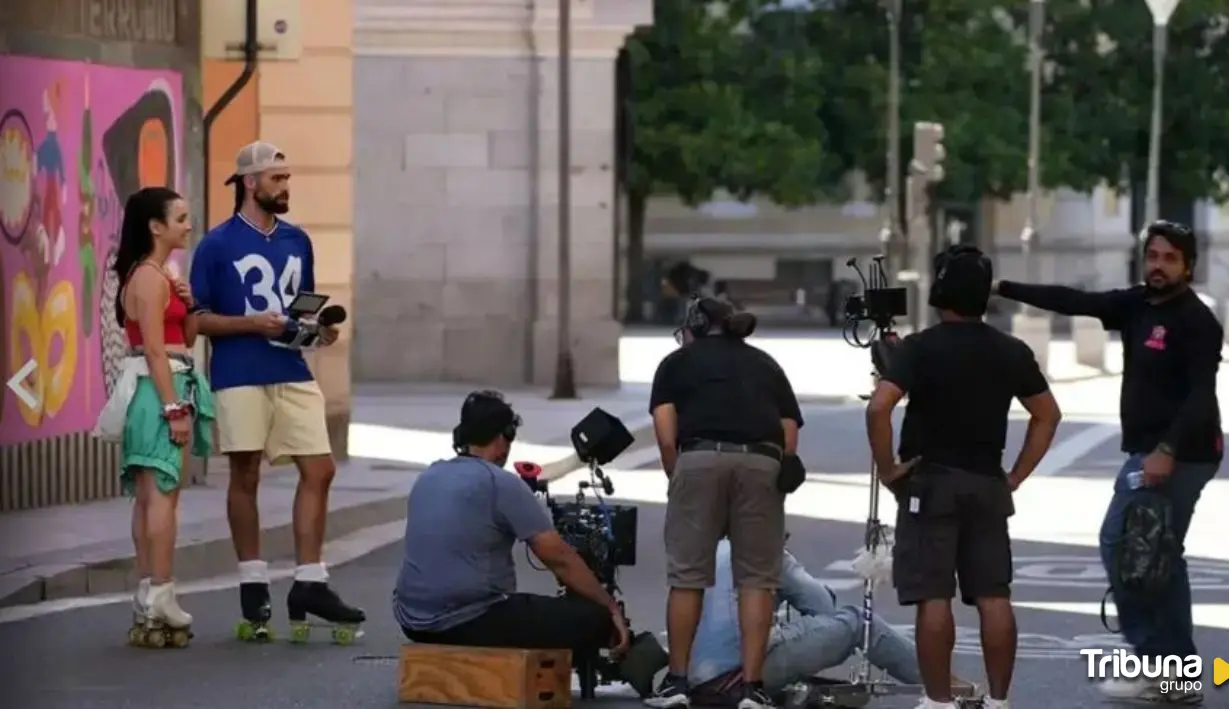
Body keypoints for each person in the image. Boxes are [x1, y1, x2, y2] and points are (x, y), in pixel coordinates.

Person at [993, 220, 1221, 704]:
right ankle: (1175, 675)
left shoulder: (1197, 320)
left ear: (1188, 266)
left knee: (1124, 547)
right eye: (1153, 256)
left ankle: (1162, 665)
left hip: (1180, 455)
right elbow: (1074, 300)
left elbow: (1201, 395)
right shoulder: (1136, 304)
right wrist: (1003, 287)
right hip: (1151, 453)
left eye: (1170, 259)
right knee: (1159, 558)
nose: (1158, 266)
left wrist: (1167, 451)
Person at [865, 244, 1062, 709]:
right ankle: (998, 700)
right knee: (994, 595)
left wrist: (889, 469)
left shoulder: (919, 348)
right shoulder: (1011, 350)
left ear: (939, 292)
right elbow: (1047, 415)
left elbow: (878, 407)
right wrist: (1015, 476)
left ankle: (938, 701)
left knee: (934, 596)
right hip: (987, 483)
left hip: (930, 482)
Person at [189, 141, 362, 639]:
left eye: (287, 179)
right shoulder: (216, 245)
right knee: (245, 473)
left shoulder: (297, 240)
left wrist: (318, 334)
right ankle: (252, 582)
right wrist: (250, 323)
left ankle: (310, 580)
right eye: (277, 179)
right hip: (238, 372)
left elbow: (300, 313)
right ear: (250, 183)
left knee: (320, 468)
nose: (286, 187)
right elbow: (196, 321)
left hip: (292, 368)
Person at [394, 391, 630, 667]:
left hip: (411, 619)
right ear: (503, 437)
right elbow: (559, 559)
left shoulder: (429, 476)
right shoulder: (500, 483)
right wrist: (609, 606)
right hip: (468, 619)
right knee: (594, 618)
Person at [646, 297, 802, 709]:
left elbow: (665, 431)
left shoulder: (676, 363)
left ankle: (677, 683)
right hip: (762, 462)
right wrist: (781, 464)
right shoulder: (765, 364)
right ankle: (752, 689)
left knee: (687, 576)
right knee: (757, 580)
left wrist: (678, 476)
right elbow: (789, 429)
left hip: (700, 458)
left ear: (695, 325)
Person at [93, 186, 216, 646]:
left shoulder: (161, 275)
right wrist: (173, 409)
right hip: (157, 390)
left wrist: (188, 302)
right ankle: (160, 590)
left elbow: (186, 337)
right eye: (180, 218)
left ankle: (150, 594)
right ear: (155, 226)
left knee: (152, 496)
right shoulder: (147, 277)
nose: (188, 225)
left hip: (162, 388)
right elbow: (155, 350)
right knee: (160, 496)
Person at [688, 539, 979, 701]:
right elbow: (824, 608)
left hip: (696, 676)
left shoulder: (712, 549)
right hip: (736, 676)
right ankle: (949, 688)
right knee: (857, 622)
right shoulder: (766, 549)